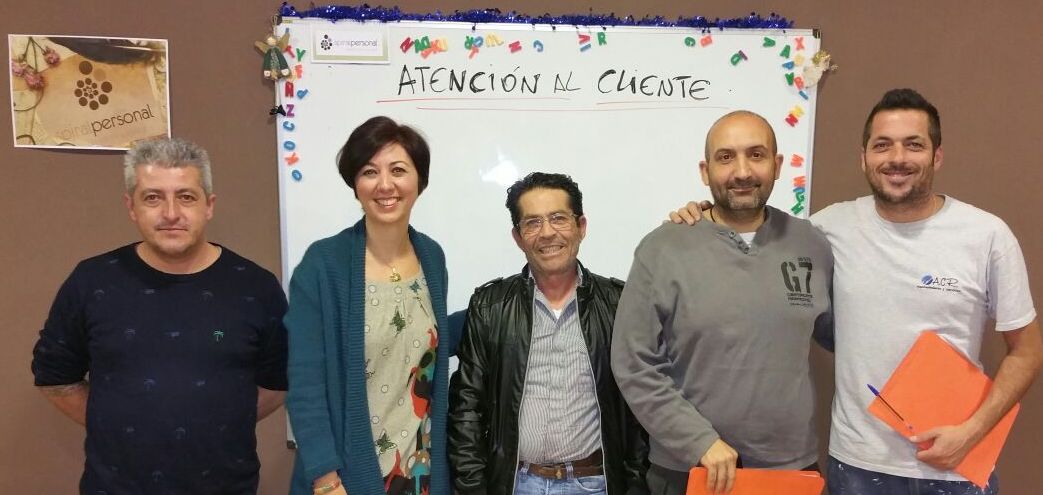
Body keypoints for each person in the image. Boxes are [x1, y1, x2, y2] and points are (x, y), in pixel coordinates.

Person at [670, 89, 1043, 494]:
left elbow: (1027, 350)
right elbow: (751, 234)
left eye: (913, 145)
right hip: (856, 466)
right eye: (882, 145)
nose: (897, 158)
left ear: (937, 156)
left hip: (956, 466)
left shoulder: (987, 235)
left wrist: (973, 431)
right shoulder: (826, 230)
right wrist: (701, 215)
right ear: (863, 157)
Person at [31, 137, 288, 494]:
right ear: (131, 206)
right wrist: (120, 423)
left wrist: (218, 420)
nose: (170, 213)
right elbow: (53, 375)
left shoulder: (256, 287)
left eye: (186, 197)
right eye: (153, 197)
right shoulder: (91, 281)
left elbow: (278, 380)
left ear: (209, 205)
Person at [611, 111, 833, 495]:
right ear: (705, 170)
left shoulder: (810, 243)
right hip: (690, 469)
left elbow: (841, 335)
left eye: (756, 154)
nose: (742, 171)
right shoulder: (663, 248)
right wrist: (699, 441)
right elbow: (633, 362)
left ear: (777, 165)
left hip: (790, 469)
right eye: (726, 157)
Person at [448, 172, 649, 495]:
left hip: (595, 484)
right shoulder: (489, 306)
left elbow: (641, 407)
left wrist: (636, 483)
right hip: (515, 484)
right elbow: (467, 408)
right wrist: (472, 487)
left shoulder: (619, 304)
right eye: (532, 223)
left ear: (581, 226)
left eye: (558, 218)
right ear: (518, 237)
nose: (547, 233)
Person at [284, 116, 451, 495]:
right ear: (355, 185)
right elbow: (306, 385)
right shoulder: (323, 264)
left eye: (398, 170)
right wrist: (326, 481)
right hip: (346, 478)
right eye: (369, 172)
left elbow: (422, 339)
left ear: (419, 181)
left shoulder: (431, 256)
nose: (385, 184)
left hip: (419, 471)